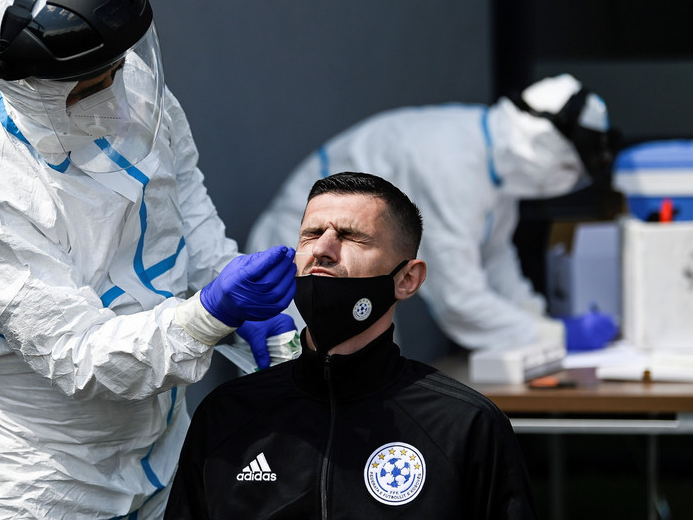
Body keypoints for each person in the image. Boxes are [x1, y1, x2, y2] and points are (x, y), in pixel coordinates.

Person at [0, 0, 298, 520]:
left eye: (116, 69)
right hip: (37, 469)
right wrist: (207, 316)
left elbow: (186, 211)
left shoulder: (133, 86)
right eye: (90, 86)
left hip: (161, 436)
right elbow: (78, 353)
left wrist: (235, 292)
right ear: (36, 89)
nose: (115, 97)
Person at [163, 171, 540, 520]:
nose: (323, 250)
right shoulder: (228, 414)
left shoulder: (463, 423)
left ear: (407, 279)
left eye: (351, 236)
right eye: (311, 234)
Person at [247, 74, 616, 353]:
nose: (566, 182)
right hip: (308, 263)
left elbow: (495, 257)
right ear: (542, 144)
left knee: (358, 391)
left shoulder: (493, 167)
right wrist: (556, 338)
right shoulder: (453, 162)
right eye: (569, 170)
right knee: (306, 407)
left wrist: (539, 322)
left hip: (354, 273)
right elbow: (458, 298)